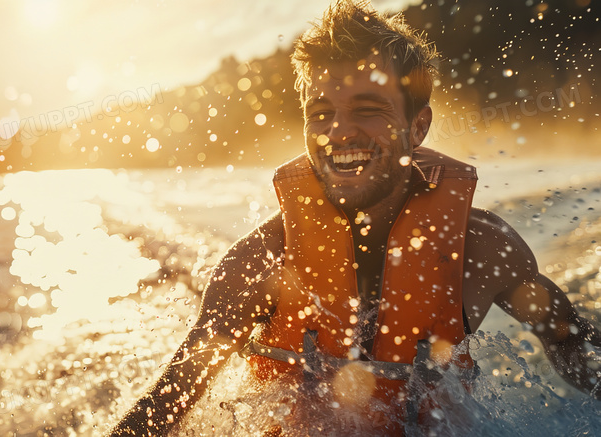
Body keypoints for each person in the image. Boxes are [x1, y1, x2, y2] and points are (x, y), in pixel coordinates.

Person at [109, 1, 601, 435]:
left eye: (367, 110)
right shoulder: (258, 266)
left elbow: (577, 350)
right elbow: (161, 409)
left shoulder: (483, 250)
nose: (339, 132)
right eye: (320, 113)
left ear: (418, 125)